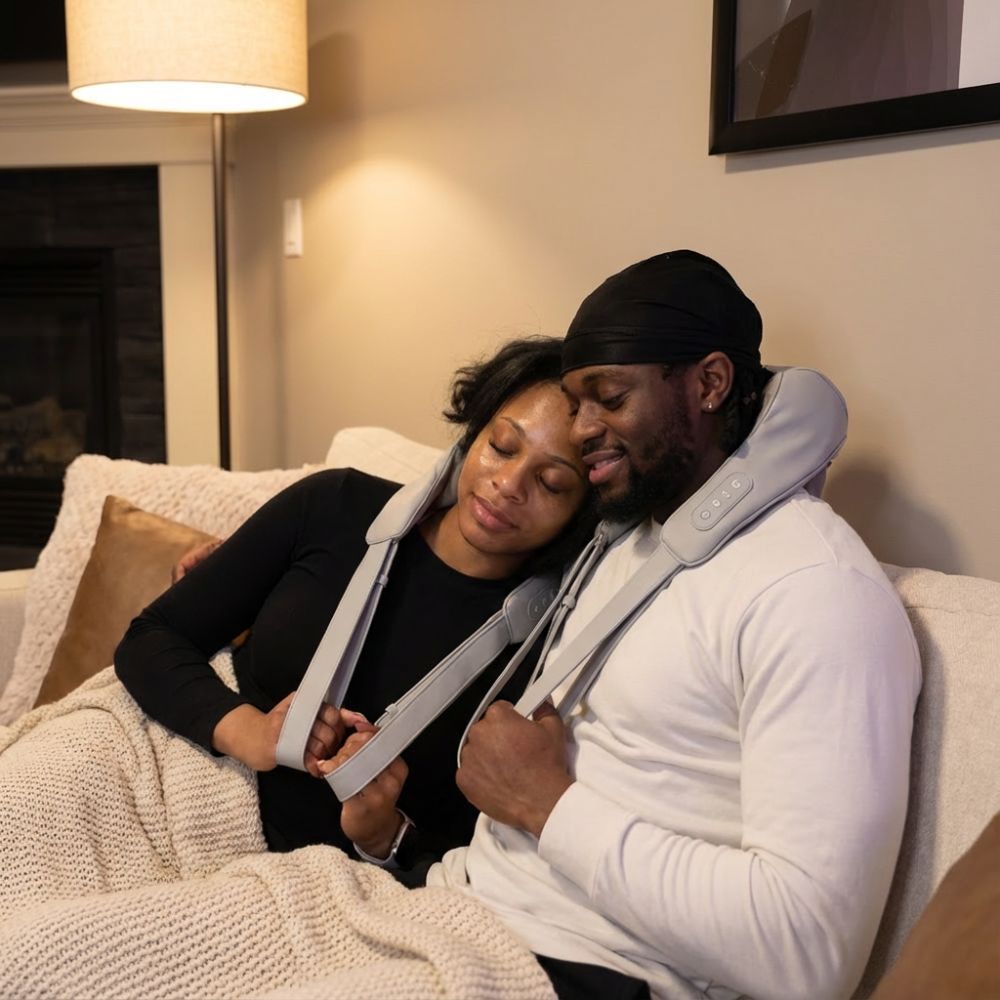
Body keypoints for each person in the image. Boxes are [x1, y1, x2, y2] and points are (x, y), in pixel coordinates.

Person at [431, 250, 922, 1000]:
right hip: (456, 911)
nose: (581, 429)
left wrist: (545, 804)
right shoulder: (629, 535)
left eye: (609, 398)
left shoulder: (816, 594)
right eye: (576, 402)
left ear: (711, 383)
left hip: (576, 975)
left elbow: (808, 953)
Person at [112, 335, 595, 872]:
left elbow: (474, 858)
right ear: (474, 432)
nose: (508, 484)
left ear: (583, 510)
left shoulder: (545, 651)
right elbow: (151, 638)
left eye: (552, 483)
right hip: (181, 780)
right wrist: (248, 730)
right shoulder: (335, 506)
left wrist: (383, 835)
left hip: (321, 879)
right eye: (502, 447)